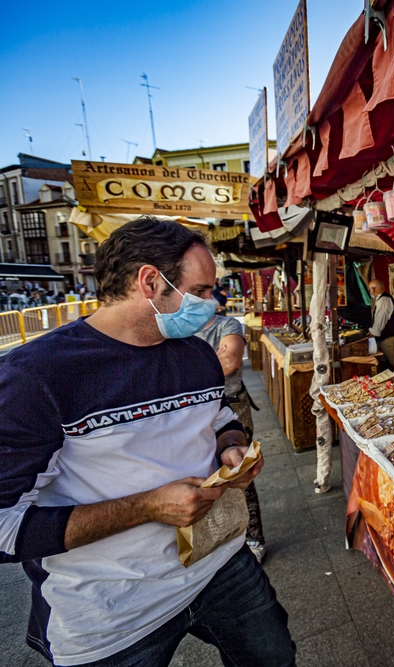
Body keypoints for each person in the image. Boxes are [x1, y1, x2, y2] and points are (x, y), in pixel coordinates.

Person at [0, 217, 294, 667]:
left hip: (219, 564)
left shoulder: (196, 355)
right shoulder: (35, 376)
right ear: (151, 282)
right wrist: (147, 506)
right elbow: (5, 528)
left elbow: (218, 416)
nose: (212, 304)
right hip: (111, 613)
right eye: (201, 290)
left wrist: (231, 445)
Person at [195, 313, 267, 562]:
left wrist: (187, 370)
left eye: (205, 291)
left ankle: (253, 537)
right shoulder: (174, 333)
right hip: (193, 414)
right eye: (197, 291)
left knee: (239, 473)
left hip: (233, 405)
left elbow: (230, 360)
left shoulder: (227, 324)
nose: (204, 298)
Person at [368, 278, 394, 370]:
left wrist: (372, 332)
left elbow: (380, 321)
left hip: (390, 337)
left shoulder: (384, 300)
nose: (370, 291)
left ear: (373, 289)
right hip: (389, 335)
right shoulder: (382, 299)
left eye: (369, 289)